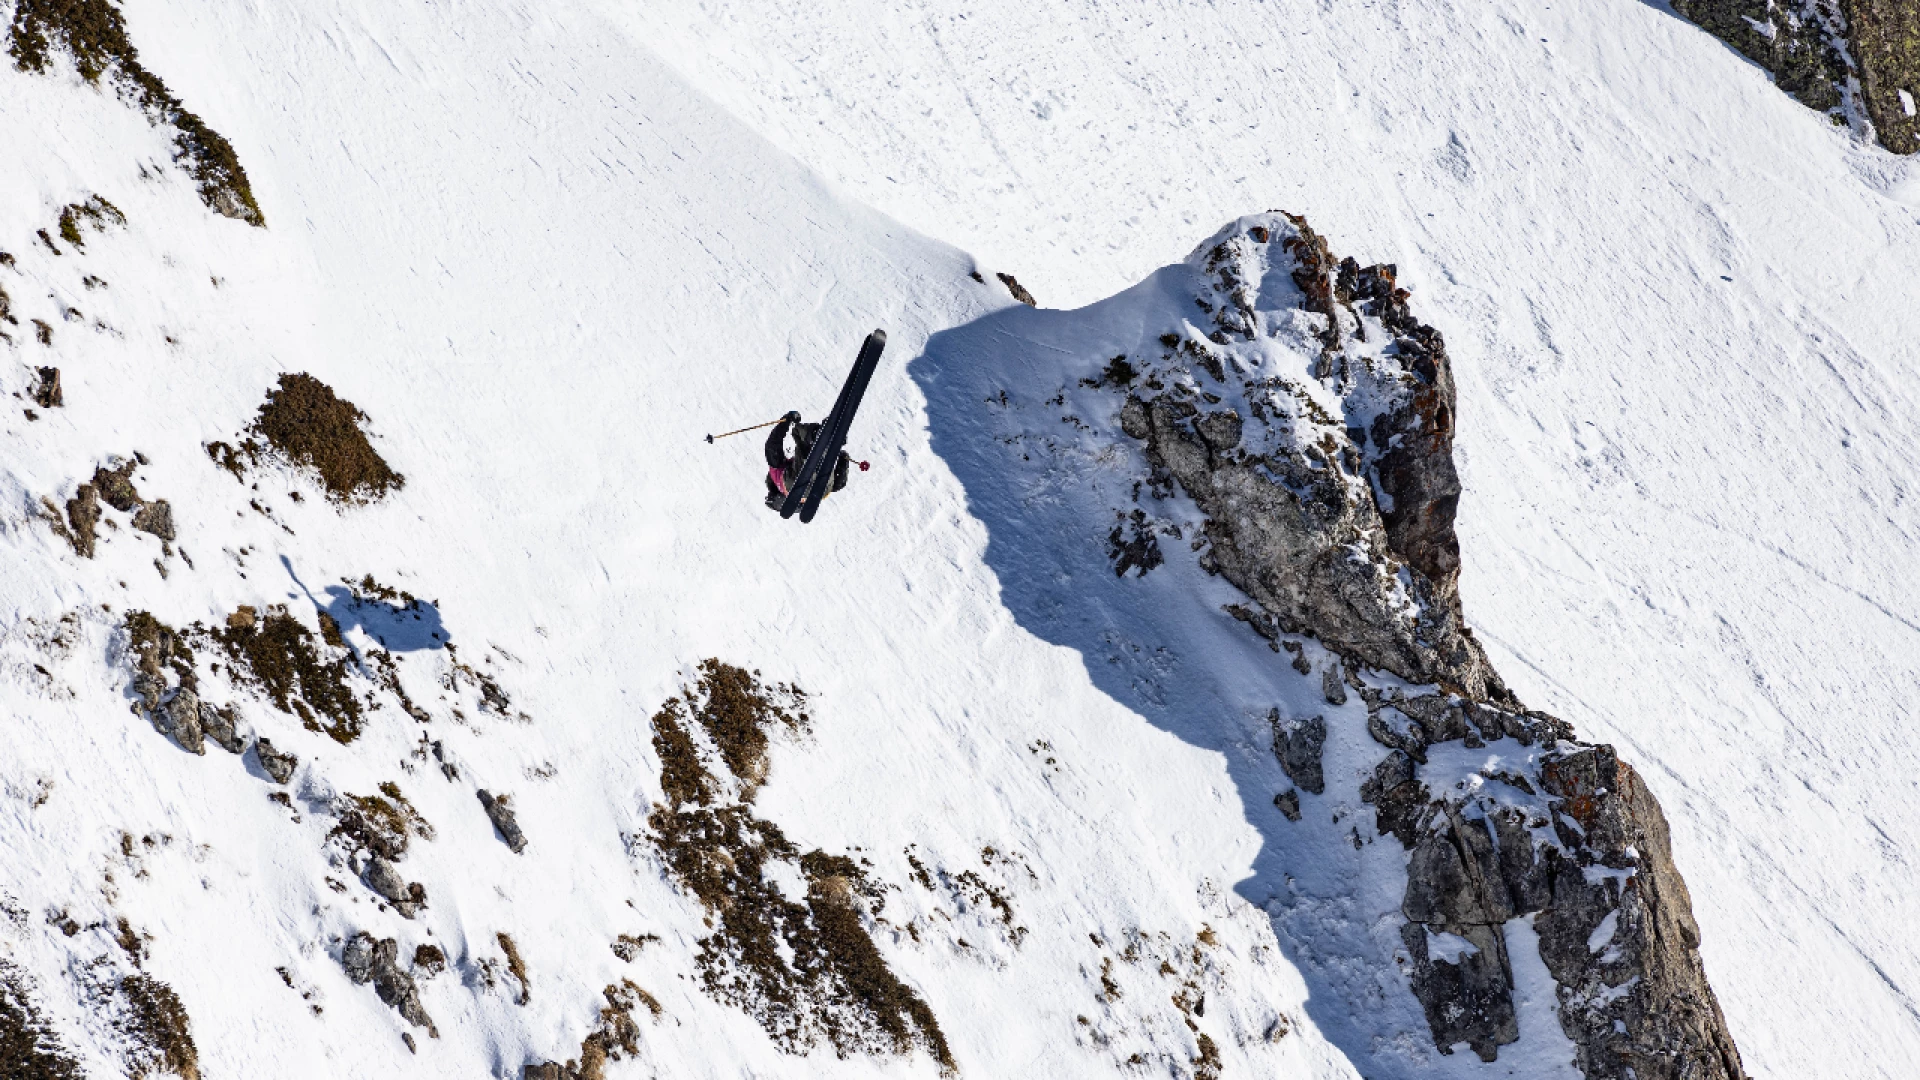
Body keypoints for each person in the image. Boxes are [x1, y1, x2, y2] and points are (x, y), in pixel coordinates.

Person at [765, 410, 850, 510]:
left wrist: (843, 461)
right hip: (795, 484)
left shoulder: (794, 499)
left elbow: (839, 484)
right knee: (798, 433)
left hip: (821, 490)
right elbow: (772, 445)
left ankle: (828, 441)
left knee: (815, 458)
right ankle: (817, 435)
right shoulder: (776, 476)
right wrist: (786, 420)